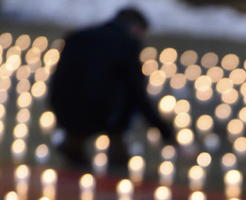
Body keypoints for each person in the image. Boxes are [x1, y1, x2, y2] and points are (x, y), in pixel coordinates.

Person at [49, 7, 174, 168]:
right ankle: (117, 160)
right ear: (136, 28)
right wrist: (165, 132)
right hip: (104, 115)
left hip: (66, 112)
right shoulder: (127, 45)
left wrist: (57, 110)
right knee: (124, 95)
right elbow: (137, 94)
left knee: (76, 147)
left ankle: (74, 156)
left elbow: (57, 80)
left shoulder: (77, 37)